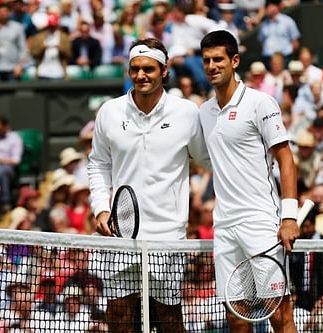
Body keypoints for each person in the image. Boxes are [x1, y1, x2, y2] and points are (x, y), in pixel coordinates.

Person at [87, 37, 210, 333]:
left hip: (168, 235)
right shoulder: (109, 112)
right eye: (135, 69)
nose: (141, 75)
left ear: (164, 71)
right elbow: (98, 164)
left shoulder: (187, 113)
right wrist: (101, 209)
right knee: (119, 317)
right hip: (121, 234)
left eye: (149, 69)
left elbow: (208, 160)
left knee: (168, 319)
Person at [199, 30, 299, 333]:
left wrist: (289, 216)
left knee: (279, 315)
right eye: (207, 60)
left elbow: (286, 158)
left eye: (219, 59)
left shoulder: (260, 103)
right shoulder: (204, 111)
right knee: (235, 316)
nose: (212, 65)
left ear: (235, 61)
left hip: (261, 222)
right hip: (225, 226)